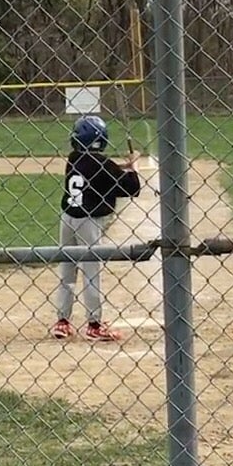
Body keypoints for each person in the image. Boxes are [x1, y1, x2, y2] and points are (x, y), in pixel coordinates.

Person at [52, 115, 142, 342]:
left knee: (67, 270)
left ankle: (62, 321)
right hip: (89, 222)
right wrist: (133, 169)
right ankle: (94, 324)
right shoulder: (103, 165)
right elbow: (132, 188)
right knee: (91, 271)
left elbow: (98, 171)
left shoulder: (74, 159)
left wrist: (122, 166)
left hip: (68, 218)